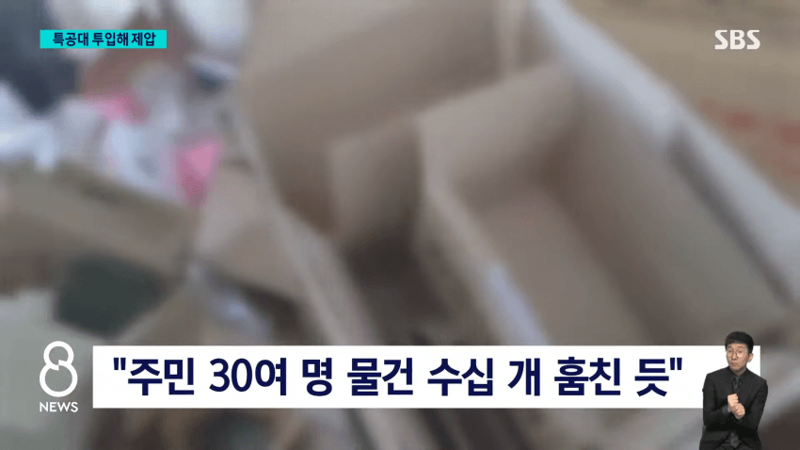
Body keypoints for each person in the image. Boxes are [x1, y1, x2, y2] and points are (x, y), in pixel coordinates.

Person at [700, 331, 768, 450]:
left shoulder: (759, 384)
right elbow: (708, 419)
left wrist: (740, 416)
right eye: (730, 351)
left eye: (739, 352)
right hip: (716, 444)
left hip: (746, 444)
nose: (733, 356)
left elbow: (753, 424)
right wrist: (727, 409)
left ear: (750, 356)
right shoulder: (712, 379)